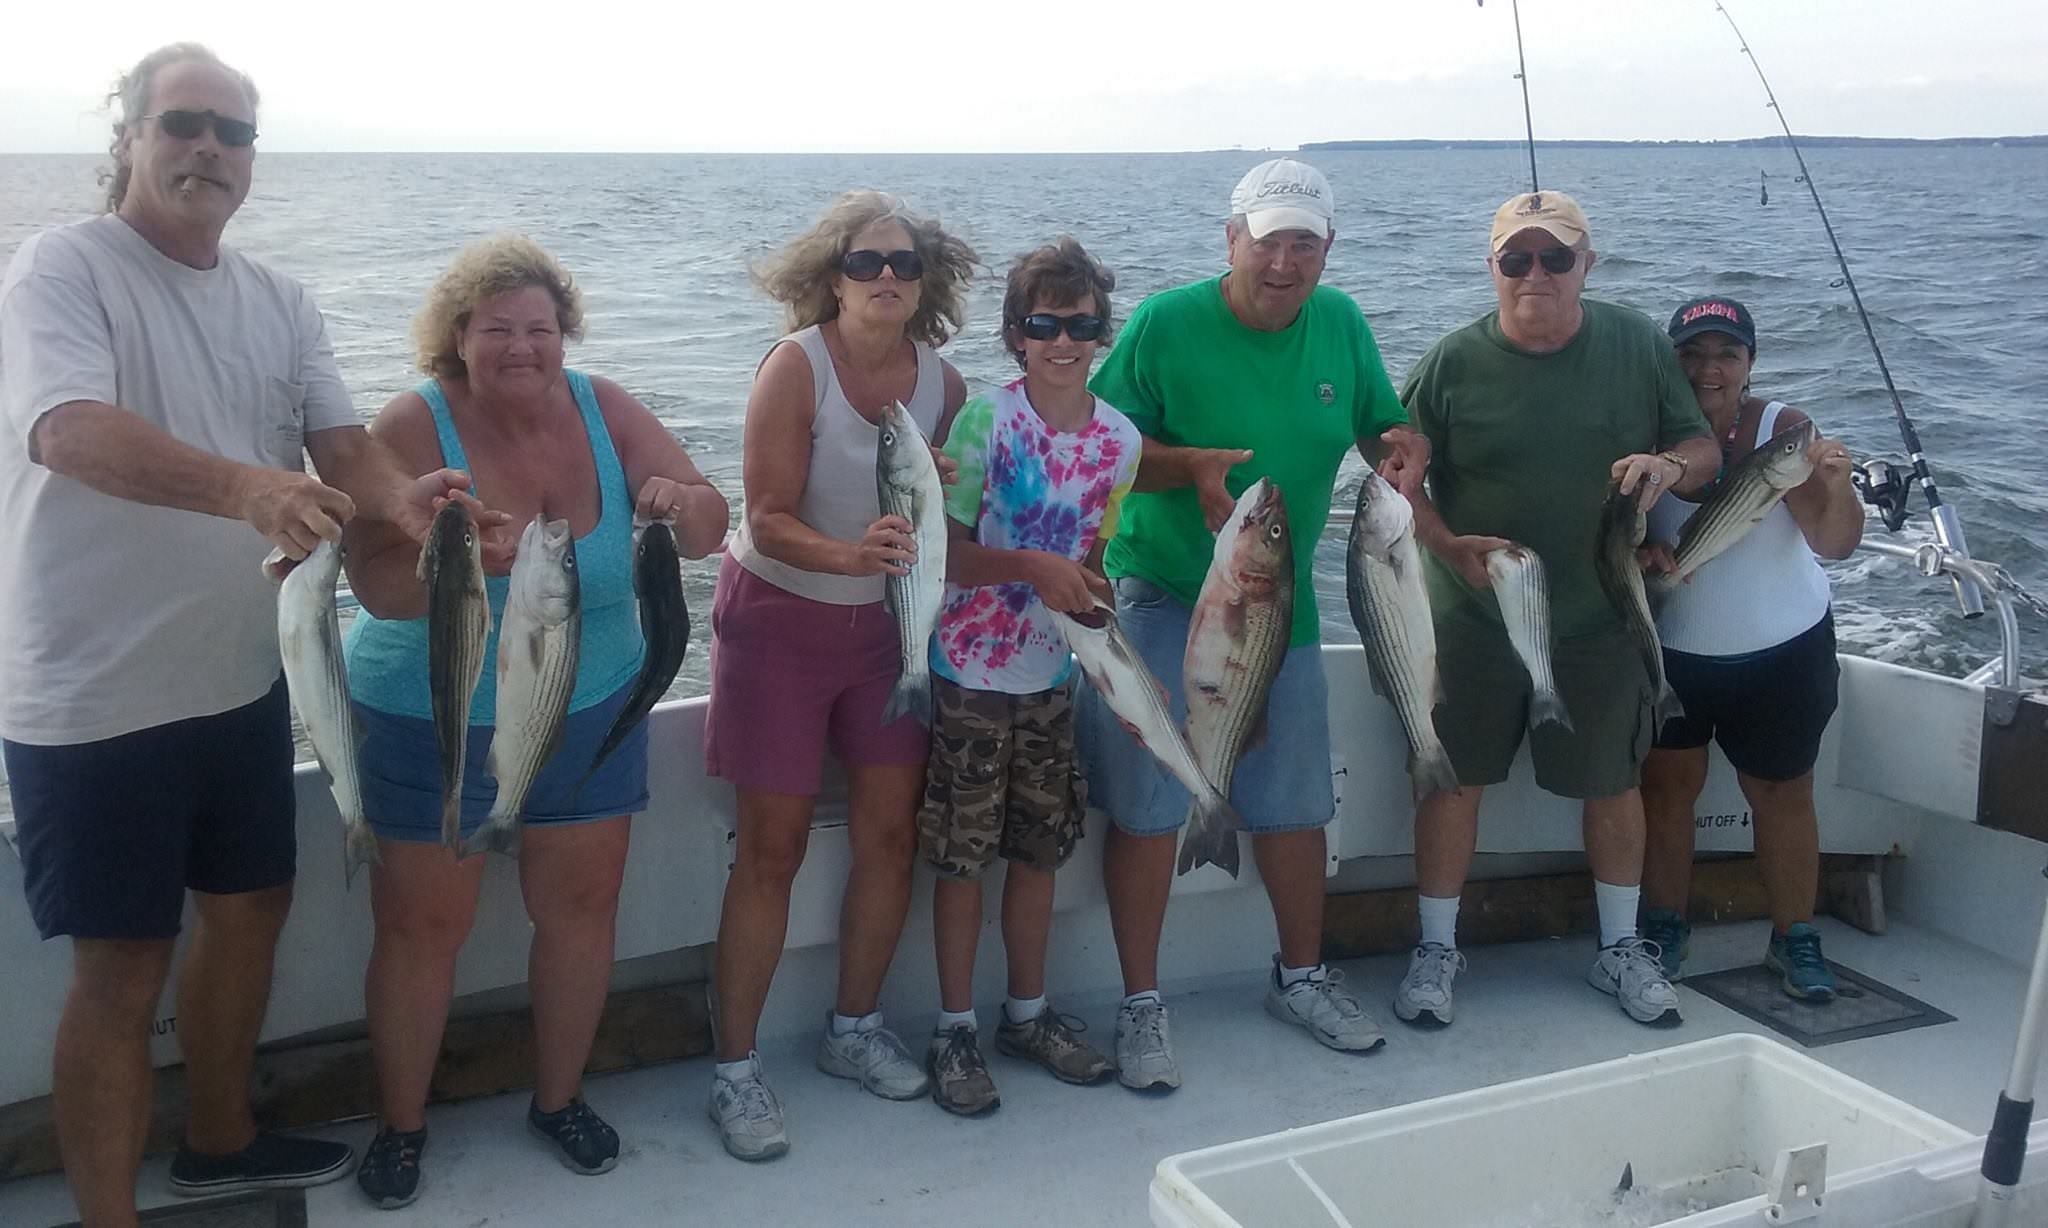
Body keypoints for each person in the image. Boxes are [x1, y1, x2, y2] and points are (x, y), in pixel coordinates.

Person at [0, 44, 489, 1226]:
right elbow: (65, 431)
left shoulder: (279, 298)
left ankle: (220, 1141)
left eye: (234, 132)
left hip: (243, 677)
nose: (209, 149)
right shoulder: (61, 268)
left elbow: (338, 440)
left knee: (249, 909)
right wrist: (242, 491)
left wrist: (400, 498)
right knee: (119, 969)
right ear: (128, 138)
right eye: (184, 125)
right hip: (94, 694)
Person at [340, 234, 727, 1206]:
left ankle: (558, 1099)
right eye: (497, 328)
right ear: (455, 337)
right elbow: (375, 587)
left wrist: (683, 502)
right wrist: (465, 562)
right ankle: (401, 1123)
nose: (522, 346)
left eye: (540, 328)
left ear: (566, 335)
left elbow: (713, 524)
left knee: (581, 910)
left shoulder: (606, 407)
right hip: (435, 712)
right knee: (426, 924)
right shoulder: (414, 424)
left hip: (593, 705)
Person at [1076, 158, 1429, 1089]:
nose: (1284, 261)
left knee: (1296, 803)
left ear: (1327, 251)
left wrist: (1402, 448)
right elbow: (1094, 444)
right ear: (1230, 238)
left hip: (1283, 604)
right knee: (1153, 807)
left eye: (1303, 243)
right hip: (1161, 593)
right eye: (1267, 239)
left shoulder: (1342, 323)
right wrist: (1186, 464)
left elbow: (1379, 429)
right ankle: (1141, 1005)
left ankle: (1302, 976)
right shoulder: (1163, 324)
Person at [1394, 190, 1721, 1030]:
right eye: (1516, 258)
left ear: (1587, 263)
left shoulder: (1639, 344)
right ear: (1492, 267)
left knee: (1613, 784)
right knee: (1451, 782)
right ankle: (1435, 949)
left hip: (1601, 614)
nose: (1535, 273)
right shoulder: (1450, 362)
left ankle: (1619, 949)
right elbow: (1396, 482)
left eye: (1555, 257)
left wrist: (1667, 469)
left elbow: (1702, 447)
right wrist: (1441, 544)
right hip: (1470, 620)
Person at [703, 190, 973, 1158]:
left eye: (903, 263)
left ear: (925, 279)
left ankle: (852, 1027)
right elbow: (767, 514)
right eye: (866, 262)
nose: (886, 278)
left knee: (890, 835)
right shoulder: (794, 367)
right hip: (778, 622)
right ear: (832, 275)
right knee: (770, 848)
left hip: (885, 635)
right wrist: (848, 555)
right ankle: (735, 1068)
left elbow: (942, 522)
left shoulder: (945, 387)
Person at [918, 238, 1138, 1115]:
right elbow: (947, 558)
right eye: (1043, 323)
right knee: (963, 861)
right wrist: (1030, 569)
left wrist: (1096, 605)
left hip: (1057, 678)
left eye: (1081, 324)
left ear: (1101, 333)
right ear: (1015, 334)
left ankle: (1028, 1014)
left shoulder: (1120, 442)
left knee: (1040, 853)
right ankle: (953, 1029)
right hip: (967, 672)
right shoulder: (984, 423)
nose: (1063, 339)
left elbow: (1092, 563)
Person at [1637, 296, 1862, 1001]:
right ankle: (1663, 926)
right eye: (1692, 353)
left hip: (1782, 651)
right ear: (1669, 360)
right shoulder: (1645, 432)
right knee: (1668, 791)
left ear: (1751, 363)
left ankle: (1795, 937)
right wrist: (1639, 549)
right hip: (1674, 652)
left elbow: (1834, 543)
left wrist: (1837, 485)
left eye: (1726, 354)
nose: (1709, 369)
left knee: (1783, 793)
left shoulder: (1783, 430)